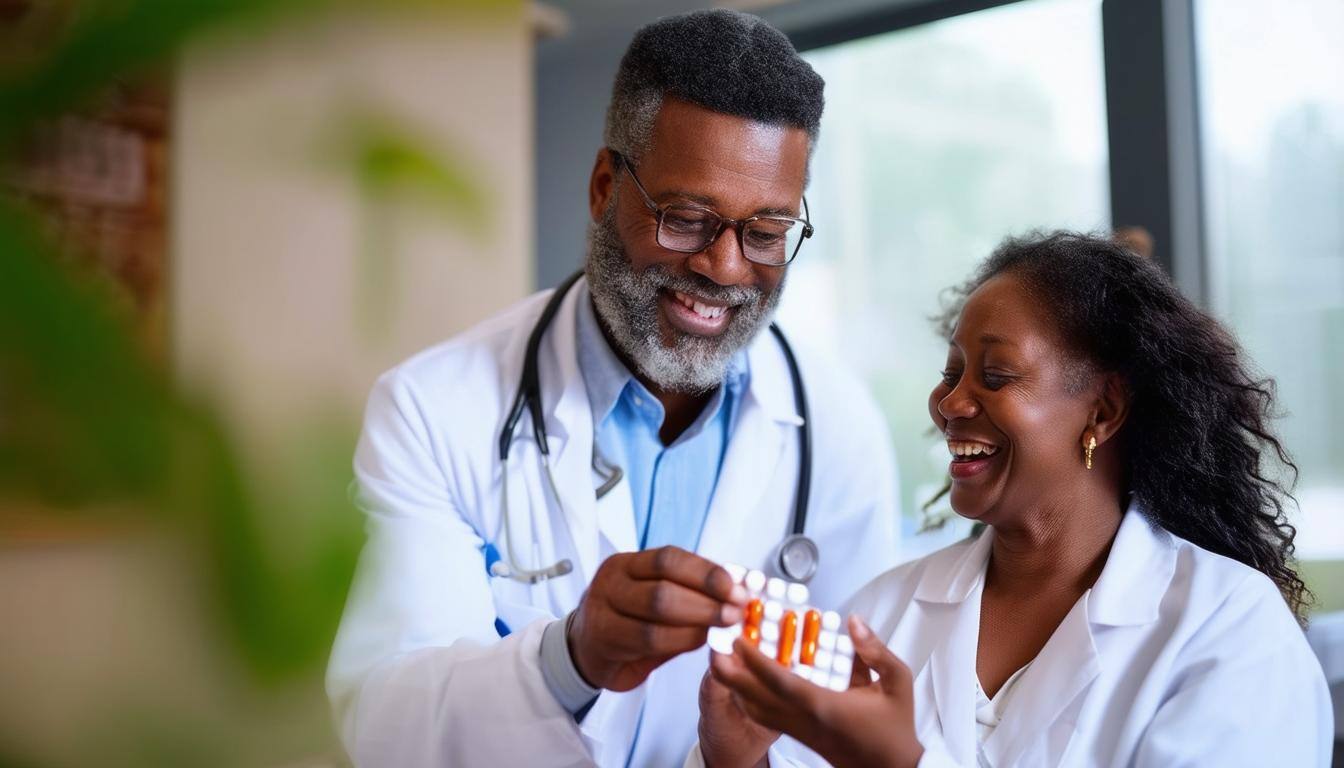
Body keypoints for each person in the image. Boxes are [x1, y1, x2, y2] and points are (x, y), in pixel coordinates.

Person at [326, 10, 900, 767]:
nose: (723, 268)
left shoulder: (837, 426)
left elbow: (851, 724)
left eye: (766, 232)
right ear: (604, 187)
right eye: (687, 218)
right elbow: (382, 725)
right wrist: (569, 658)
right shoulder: (435, 409)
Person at [695, 232, 1333, 767]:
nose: (950, 404)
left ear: (1103, 410)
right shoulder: (881, 614)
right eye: (951, 374)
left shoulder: (1228, 631)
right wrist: (737, 756)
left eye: (995, 377)